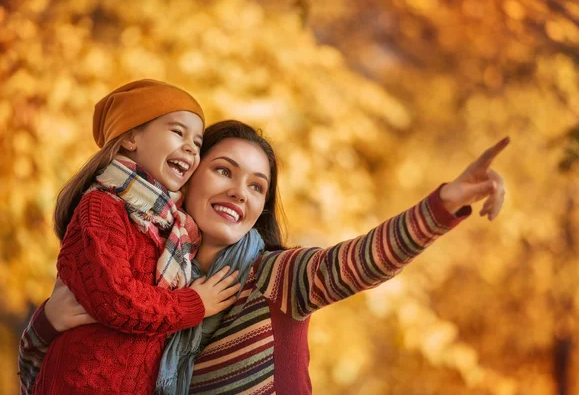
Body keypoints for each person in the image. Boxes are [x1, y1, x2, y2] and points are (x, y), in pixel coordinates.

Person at [20, 120, 509, 395]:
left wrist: (442, 204)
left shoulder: (274, 275)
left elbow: (361, 261)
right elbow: (42, 376)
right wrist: (47, 322)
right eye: (223, 171)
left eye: (257, 186)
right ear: (187, 179)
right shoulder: (142, 287)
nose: (239, 192)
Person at [24, 80, 242, 395]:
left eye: (197, 142)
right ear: (130, 136)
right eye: (178, 132)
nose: (192, 148)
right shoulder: (100, 208)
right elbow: (118, 300)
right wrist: (195, 303)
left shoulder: (176, 228)